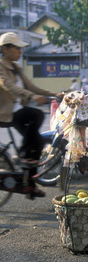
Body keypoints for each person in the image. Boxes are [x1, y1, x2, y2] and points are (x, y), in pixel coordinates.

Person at [0, 32, 64, 196]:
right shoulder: (1, 66)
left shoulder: (16, 68)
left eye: (20, 49)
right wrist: (31, 97)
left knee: (37, 142)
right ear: (5, 49)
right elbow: (8, 86)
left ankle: (29, 186)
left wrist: (53, 94)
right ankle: (22, 154)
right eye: (16, 48)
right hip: (6, 113)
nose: (19, 52)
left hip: (17, 112)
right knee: (36, 115)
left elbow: (31, 86)